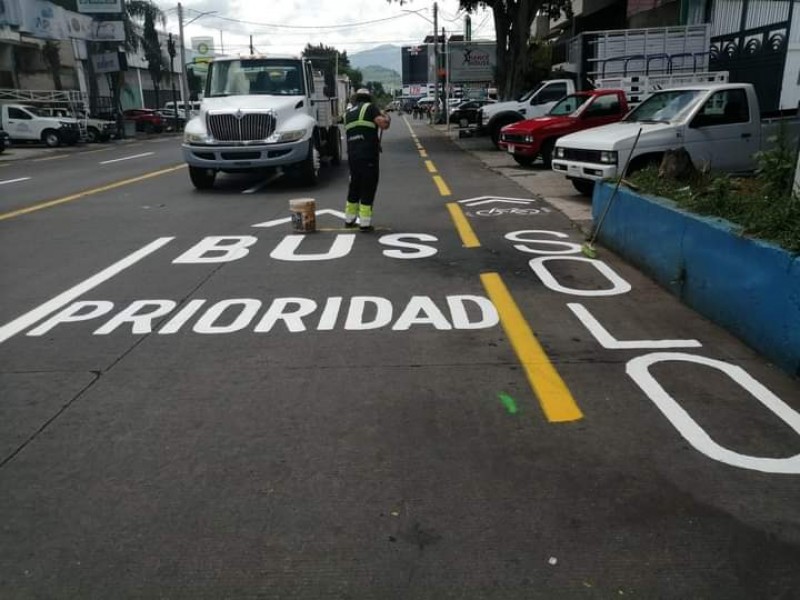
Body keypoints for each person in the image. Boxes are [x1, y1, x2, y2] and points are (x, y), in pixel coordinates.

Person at [342, 88, 391, 231]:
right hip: (368, 154)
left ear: (356, 98)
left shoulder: (348, 113)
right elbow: (383, 125)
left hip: (353, 155)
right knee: (368, 186)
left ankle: (349, 219)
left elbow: (357, 130)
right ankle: (365, 222)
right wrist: (387, 117)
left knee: (355, 185)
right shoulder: (370, 108)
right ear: (369, 98)